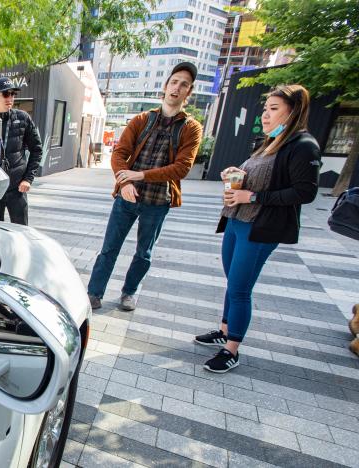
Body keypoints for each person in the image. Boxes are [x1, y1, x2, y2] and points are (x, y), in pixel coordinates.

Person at [195, 84, 320, 373]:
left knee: (240, 288)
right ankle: (225, 331)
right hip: (237, 221)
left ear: (294, 111)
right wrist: (234, 176)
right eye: (265, 109)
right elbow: (257, 177)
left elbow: (305, 192)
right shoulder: (269, 143)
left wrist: (251, 196)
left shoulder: (303, 146)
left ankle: (232, 349)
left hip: (260, 228)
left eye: (274, 109)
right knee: (232, 282)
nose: (265, 115)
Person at [86, 62, 203, 311]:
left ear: (188, 93)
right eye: (174, 82)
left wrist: (138, 175)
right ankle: (94, 293)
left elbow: (182, 168)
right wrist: (124, 181)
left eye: (184, 85)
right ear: (165, 86)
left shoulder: (191, 128)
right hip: (127, 198)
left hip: (158, 201)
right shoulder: (142, 119)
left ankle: (129, 292)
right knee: (109, 248)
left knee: (144, 253)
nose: (177, 88)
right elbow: (119, 154)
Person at [0, 77, 43, 225]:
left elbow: (37, 150)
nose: (10, 98)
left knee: (22, 232)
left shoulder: (23, 118)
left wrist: (28, 179)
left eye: (12, 94)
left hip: (17, 189)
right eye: (5, 94)